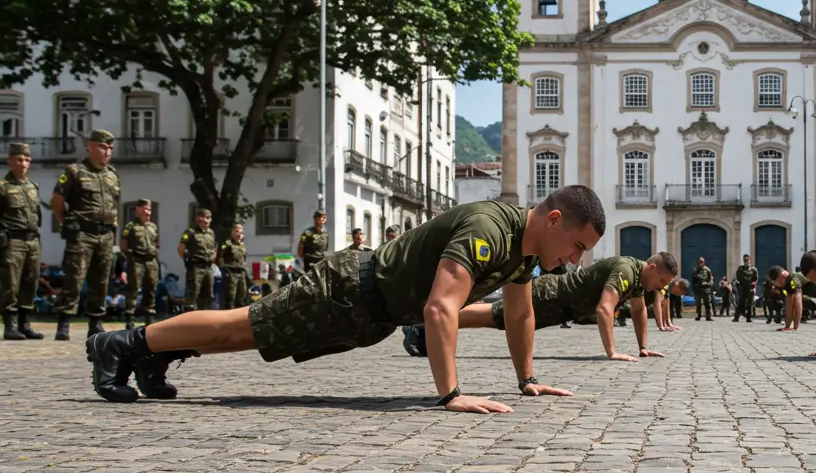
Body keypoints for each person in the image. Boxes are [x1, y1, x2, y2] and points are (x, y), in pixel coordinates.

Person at [84, 187, 606, 411]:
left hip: (368, 313)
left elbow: (520, 312)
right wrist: (450, 395)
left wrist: (526, 380)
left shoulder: (523, 253)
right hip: (348, 288)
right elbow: (440, 308)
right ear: (553, 220)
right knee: (241, 326)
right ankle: (122, 344)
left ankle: (153, 354)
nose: (575, 260)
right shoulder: (491, 228)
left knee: (251, 337)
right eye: (577, 246)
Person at [451, 253, 678, 361]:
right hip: (550, 295)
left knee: (499, 319)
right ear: (651, 267)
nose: (661, 287)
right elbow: (604, 308)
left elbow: (639, 310)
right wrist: (612, 352)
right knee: (496, 316)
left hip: (560, 306)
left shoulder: (639, 279)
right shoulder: (627, 270)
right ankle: (441, 320)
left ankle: (443, 321)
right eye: (661, 280)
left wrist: (643, 347)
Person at [51, 129, 122, 340]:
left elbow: (114, 203)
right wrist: (68, 222)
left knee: (101, 280)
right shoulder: (75, 171)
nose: (107, 152)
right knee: (74, 278)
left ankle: (96, 322)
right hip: (82, 234)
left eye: (110, 148)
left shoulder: (112, 174)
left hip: (105, 235)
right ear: (90, 146)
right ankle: (64, 323)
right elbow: (57, 202)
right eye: (102, 147)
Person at [2, 142, 44, 340]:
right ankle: (9, 326)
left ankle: (24, 324)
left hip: (32, 241)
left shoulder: (32, 187)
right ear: (10, 161)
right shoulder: (3, 187)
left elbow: (38, 215)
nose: (24, 164)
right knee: (10, 284)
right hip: (12, 241)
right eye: (19, 159)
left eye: (27, 160)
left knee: (31, 281)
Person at [119, 199, 160, 329]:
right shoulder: (130, 227)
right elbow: (123, 246)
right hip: (136, 261)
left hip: (151, 261)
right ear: (138, 210)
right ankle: (130, 318)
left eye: (149, 209)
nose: (148, 212)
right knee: (133, 289)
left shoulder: (153, 227)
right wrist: (132, 256)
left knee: (151, 288)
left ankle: (149, 317)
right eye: (145, 209)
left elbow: (156, 243)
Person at [178, 208, 217, 311]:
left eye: (208, 218)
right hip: (195, 267)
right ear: (197, 219)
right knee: (192, 295)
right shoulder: (190, 232)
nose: (205, 220)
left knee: (207, 296)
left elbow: (214, 249)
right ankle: (189, 318)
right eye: (203, 217)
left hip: (208, 268)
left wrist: (213, 258)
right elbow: (181, 250)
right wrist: (188, 262)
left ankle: (204, 318)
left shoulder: (211, 233)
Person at [217, 224, 250, 310]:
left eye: (241, 232)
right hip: (231, 272)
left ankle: (239, 314)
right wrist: (223, 269)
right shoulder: (227, 244)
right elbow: (220, 256)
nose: (239, 234)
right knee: (230, 296)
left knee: (242, 295)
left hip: (241, 272)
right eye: (237, 232)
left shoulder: (242, 245)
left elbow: (243, 259)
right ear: (232, 232)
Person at [767, 265, 805, 332]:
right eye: (776, 281)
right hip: (796, 290)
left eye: (780, 280)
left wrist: (795, 328)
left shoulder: (793, 279)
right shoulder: (781, 285)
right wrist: (787, 326)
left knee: (796, 300)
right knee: (789, 302)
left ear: (784, 274)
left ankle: (795, 326)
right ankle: (788, 326)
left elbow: (797, 302)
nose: (779, 283)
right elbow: (788, 303)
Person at [734, 255, 758, 322]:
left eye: (747, 260)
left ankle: (748, 318)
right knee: (740, 303)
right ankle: (736, 317)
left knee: (749, 304)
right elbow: (738, 277)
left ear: (750, 260)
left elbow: (755, 279)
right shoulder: (740, 269)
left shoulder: (753, 269)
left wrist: (754, 287)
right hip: (743, 288)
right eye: (745, 260)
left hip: (750, 288)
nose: (746, 261)